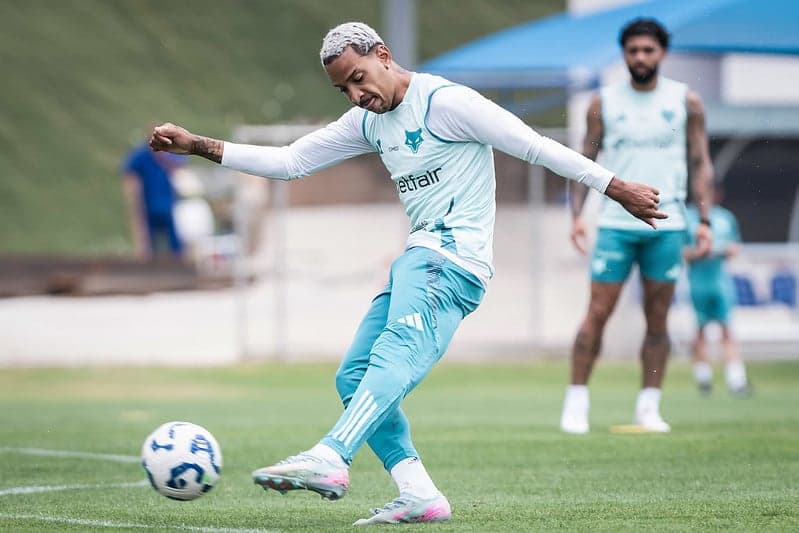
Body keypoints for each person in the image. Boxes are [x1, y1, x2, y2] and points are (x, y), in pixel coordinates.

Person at [150, 21, 665, 525]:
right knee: (352, 375)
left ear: (383, 54)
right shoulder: (368, 121)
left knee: (393, 353)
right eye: (342, 88)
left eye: (358, 77)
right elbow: (290, 161)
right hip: (417, 259)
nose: (355, 94)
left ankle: (332, 455)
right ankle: (418, 493)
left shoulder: (447, 104)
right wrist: (199, 146)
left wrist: (614, 186)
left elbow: (532, 145)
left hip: (452, 261)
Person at [560, 18, 713, 435]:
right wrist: (577, 216)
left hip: (669, 224)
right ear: (624, 54)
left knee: (658, 318)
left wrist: (705, 220)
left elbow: (700, 163)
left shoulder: (687, 102)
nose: (640, 57)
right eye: (633, 50)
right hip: (613, 224)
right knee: (597, 313)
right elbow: (584, 163)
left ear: (661, 53)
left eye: (648, 50)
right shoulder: (603, 102)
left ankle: (649, 406)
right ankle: (576, 403)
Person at [684, 192, 750, 395]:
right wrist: (700, 253)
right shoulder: (688, 218)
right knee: (700, 332)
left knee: (727, 330)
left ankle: (736, 381)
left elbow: (735, 246)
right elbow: (683, 252)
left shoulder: (725, 217)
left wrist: (724, 250)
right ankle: (704, 380)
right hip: (698, 284)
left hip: (721, 283)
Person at [121, 139, 185, 259]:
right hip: (148, 206)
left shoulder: (169, 154)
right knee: (149, 242)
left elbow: (180, 166)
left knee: (175, 242)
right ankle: (151, 264)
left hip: (169, 206)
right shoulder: (142, 156)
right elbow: (129, 172)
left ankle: (177, 262)